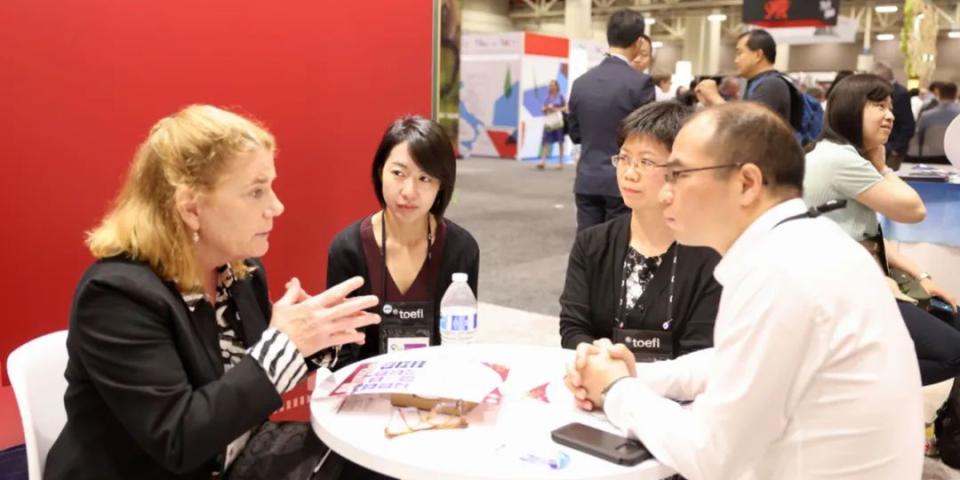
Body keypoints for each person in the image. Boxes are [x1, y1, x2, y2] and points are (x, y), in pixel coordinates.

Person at [567, 102, 923, 479]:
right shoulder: (806, 243)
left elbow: (712, 457)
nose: (666, 193)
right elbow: (733, 361)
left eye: (678, 174)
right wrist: (639, 375)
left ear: (747, 183)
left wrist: (617, 389)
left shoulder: (779, 272)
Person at [44, 105, 381, 480]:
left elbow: (246, 376)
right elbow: (180, 439)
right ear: (191, 208)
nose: (276, 206)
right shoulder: (116, 296)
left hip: (233, 460)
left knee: (373, 463)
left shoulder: (239, 273)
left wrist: (316, 336)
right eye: (256, 191)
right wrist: (284, 345)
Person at [804, 73, 960, 388]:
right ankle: (855, 384)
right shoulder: (840, 160)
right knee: (953, 352)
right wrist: (883, 168)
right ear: (849, 109)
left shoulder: (838, 154)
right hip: (847, 294)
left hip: (861, 285)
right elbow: (914, 210)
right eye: (878, 106)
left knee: (953, 322)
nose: (890, 115)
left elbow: (866, 236)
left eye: (890, 106)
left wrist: (923, 278)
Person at [559, 101, 721, 361]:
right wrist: (593, 360)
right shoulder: (592, 244)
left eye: (646, 162)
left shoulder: (710, 255)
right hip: (600, 384)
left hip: (674, 396)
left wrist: (626, 379)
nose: (629, 173)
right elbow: (573, 328)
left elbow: (700, 352)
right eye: (624, 158)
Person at [326, 116, 479, 364]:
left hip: (435, 388)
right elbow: (339, 350)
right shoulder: (348, 248)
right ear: (380, 171)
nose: (408, 191)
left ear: (441, 185)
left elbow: (460, 341)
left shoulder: (461, 249)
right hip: (367, 391)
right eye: (398, 173)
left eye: (425, 178)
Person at [568, 9, 656, 231]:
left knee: (587, 246)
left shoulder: (581, 83)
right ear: (638, 42)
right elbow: (648, 137)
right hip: (624, 180)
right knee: (617, 247)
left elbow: (575, 134)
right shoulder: (640, 84)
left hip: (587, 178)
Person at [695, 30, 792, 123]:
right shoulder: (758, 83)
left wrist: (714, 97)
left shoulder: (771, 84)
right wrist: (710, 103)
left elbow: (749, 125)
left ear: (758, 55)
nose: (736, 60)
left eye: (739, 53)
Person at [871, 61, 915, 170]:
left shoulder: (901, 93)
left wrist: (896, 148)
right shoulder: (887, 91)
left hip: (892, 149)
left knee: (886, 180)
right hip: (881, 146)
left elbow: (908, 125)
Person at [915, 81, 959, 164]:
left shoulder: (926, 116)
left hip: (930, 157)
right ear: (955, 95)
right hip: (956, 157)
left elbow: (919, 138)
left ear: (938, 95)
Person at [538, 79, 567, 170]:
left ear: (556, 86)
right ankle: (543, 161)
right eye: (549, 85)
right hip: (549, 120)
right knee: (545, 140)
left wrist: (557, 109)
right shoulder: (547, 97)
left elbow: (566, 107)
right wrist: (544, 109)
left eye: (552, 85)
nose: (550, 87)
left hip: (558, 121)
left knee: (560, 141)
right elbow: (543, 107)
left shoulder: (561, 96)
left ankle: (560, 162)